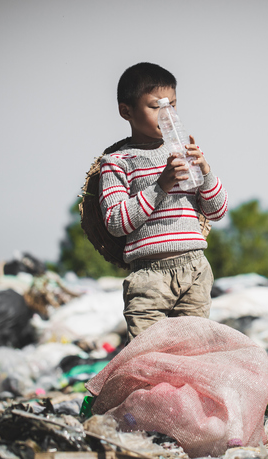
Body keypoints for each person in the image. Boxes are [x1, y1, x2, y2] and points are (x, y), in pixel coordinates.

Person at [99, 62, 228, 342]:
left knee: (192, 352)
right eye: (155, 106)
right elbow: (116, 222)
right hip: (149, 276)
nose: (166, 115)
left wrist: (205, 170)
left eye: (172, 105)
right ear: (127, 111)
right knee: (148, 355)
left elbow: (217, 211)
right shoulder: (118, 162)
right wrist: (161, 185)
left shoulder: (182, 153)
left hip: (195, 267)